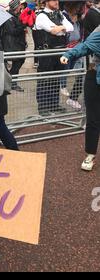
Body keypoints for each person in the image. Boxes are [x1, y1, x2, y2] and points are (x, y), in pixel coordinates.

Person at [61, 25, 100, 172]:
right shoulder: (99, 31)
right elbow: (85, 46)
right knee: (93, 119)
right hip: (94, 77)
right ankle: (90, 154)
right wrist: (69, 54)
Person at [35, 0, 74, 116]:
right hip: (46, 54)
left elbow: (71, 27)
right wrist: (61, 29)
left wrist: (61, 27)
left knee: (56, 79)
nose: (56, 2)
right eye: (53, 0)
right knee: (44, 79)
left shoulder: (59, 14)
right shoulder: (41, 16)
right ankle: (43, 107)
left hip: (58, 52)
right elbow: (53, 31)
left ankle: (53, 105)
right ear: (46, 1)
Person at [60, 2, 85, 110]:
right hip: (68, 47)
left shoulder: (79, 18)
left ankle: (71, 97)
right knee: (66, 69)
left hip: (78, 46)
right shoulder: (63, 16)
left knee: (78, 72)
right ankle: (63, 85)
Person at [0, 0, 27, 92]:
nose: (21, 7)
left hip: (18, 44)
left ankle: (10, 81)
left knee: (19, 61)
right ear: (16, 6)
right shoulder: (8, 17)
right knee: (17, 62)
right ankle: (11, 82)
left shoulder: (17, 15)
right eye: (20, 5)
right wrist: (23, 27)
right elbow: (12, 31)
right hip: (12, 44)